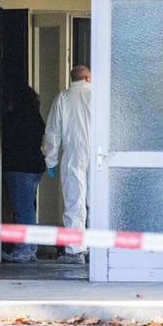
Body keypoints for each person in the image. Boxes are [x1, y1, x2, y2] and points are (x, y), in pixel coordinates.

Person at [44, 65, 91, 264]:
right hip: (99, 154)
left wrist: (51, 160)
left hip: (73, 155)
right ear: (88, 78)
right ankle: (98, 249)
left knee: (75, 203)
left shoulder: (62, 99)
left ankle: (75, 251)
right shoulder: (100, 95)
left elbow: (53, 132)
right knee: (98, 202)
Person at [1, 83, 46, 262]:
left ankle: (24, 249)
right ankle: (30, 247)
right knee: (28, 207)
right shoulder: (36, 117)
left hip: (19, 167)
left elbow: (7, 142)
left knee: (22, 208)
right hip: (35, 166)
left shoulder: (12, 118)